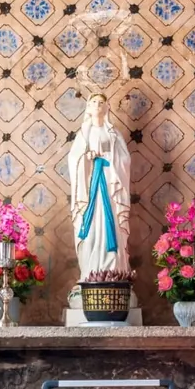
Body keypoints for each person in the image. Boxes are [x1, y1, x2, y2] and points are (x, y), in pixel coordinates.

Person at [67, 93, 131, 281]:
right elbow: (73, 159)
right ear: (88, 107)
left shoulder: (113, 133)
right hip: (90, 192)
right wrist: (87, 157)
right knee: (92, 229)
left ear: (107, 107)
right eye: (93, 101)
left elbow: (125, 160)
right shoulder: (83, 133)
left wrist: (108, 158)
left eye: (101, 102)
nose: (97, 105)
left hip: (110, 189)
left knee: (112, 227)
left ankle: (114, 271)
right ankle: (90, 272)